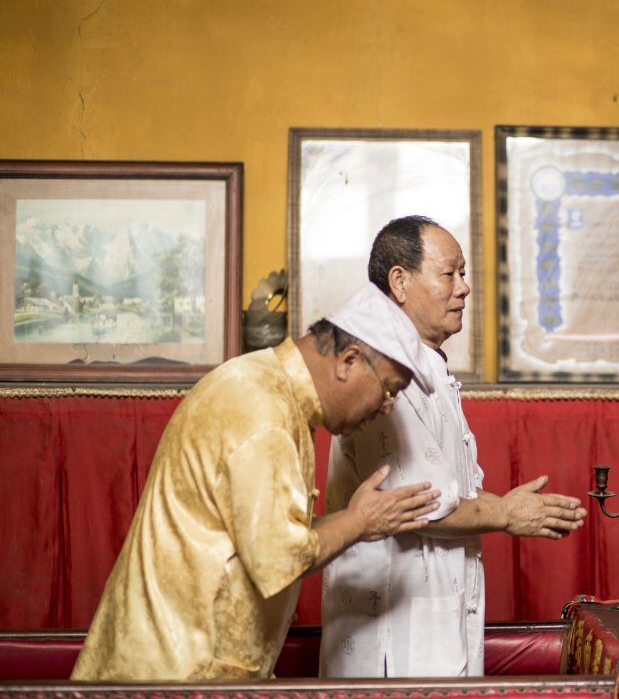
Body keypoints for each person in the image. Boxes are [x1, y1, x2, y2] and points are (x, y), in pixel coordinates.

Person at [71, 285, 442, 680]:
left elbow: (273, 537)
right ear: (348, 361)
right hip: (174, 676)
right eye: (389, 391)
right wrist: (361, 522)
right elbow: (281, 557)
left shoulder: (267, 389)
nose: (385, 408)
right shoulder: (264, 411)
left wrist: (359, 518)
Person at [320, 216, 587, 678]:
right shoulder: (381, 369)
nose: (464, 288)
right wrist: (506, 514)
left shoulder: (430, 368)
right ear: (400, 282)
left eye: (464, 274)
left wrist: (509, 505)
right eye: (450, 274)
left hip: (435, 624)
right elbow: (426, 504)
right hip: (392, 638)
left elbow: (456, 491)